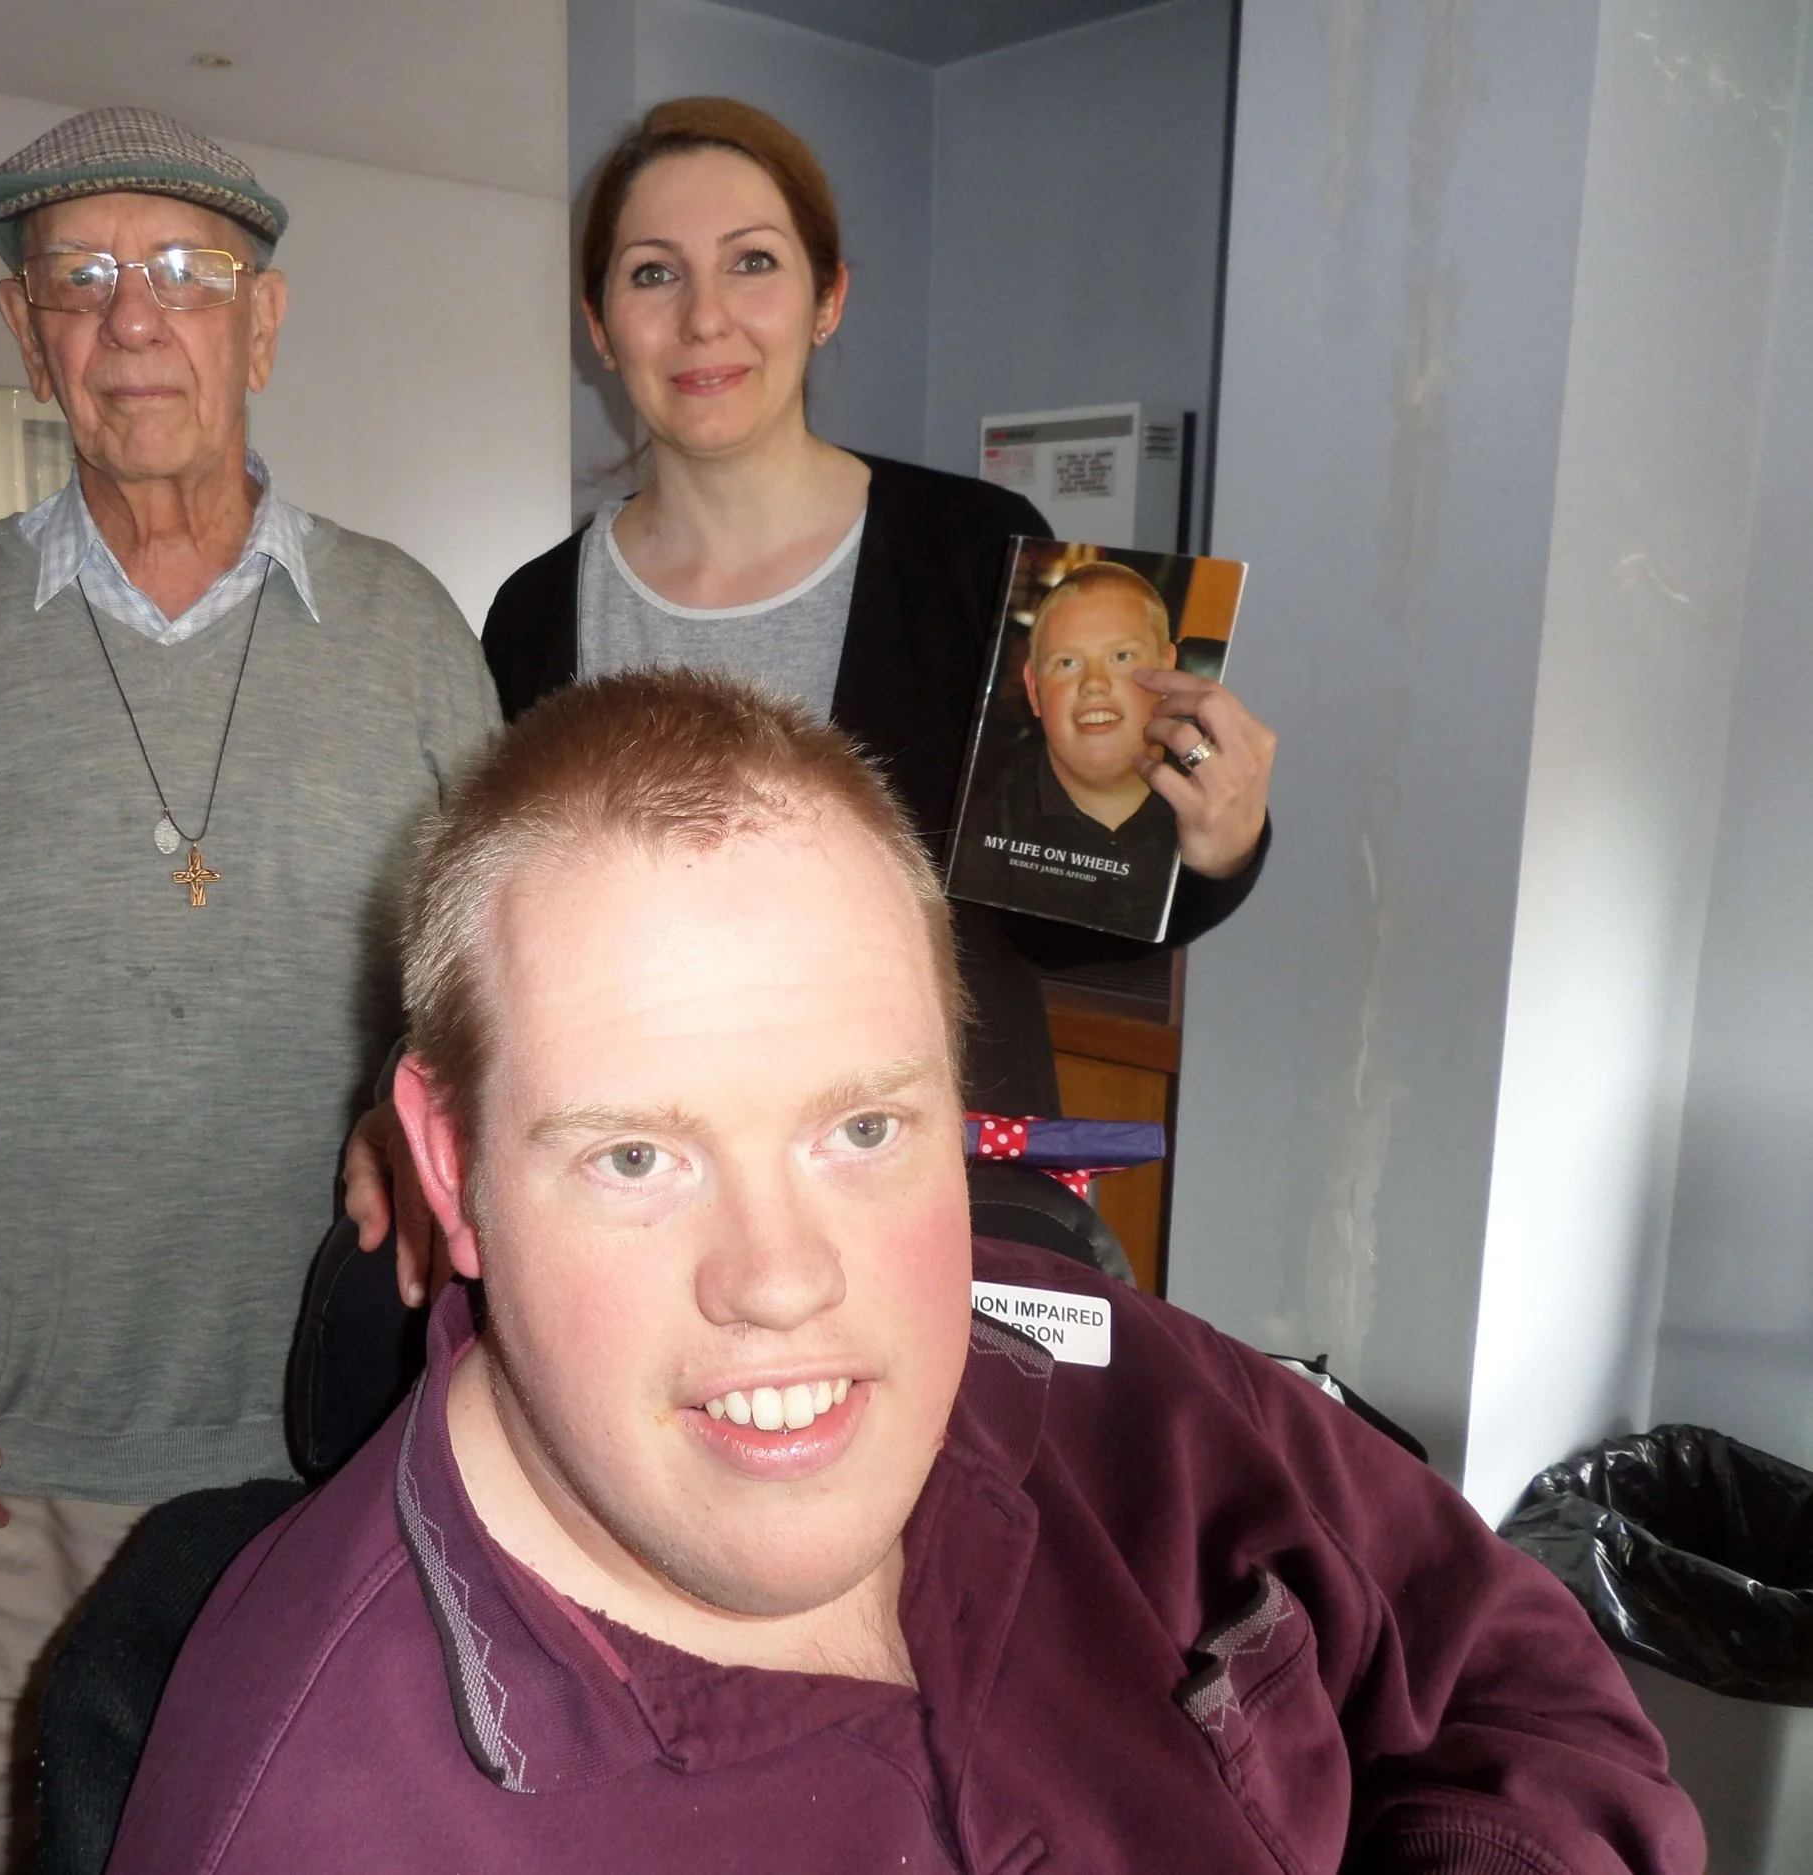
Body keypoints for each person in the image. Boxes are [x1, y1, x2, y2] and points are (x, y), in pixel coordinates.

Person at [109, 670, 1703, 1874]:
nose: (781, 1278)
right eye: (636, 1156)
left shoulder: (1089, 1367)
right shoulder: (313, 1819)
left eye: (861, 1127)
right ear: (450, 1170)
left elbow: (1504, 1663)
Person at [0, 106, 499, 1874]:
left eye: (184, 272)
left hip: (344, 1420)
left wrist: (431, 1096)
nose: (132, 317)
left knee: (313, 1826)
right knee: (8, 1836)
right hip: (10, 1434)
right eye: (77, 279)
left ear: (263, 321)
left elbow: (500, 987)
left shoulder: (411, 638)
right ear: (25, 331)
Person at [481, 97, 1275, 1112]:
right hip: (644, 1161)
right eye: (652, 273)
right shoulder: (535, 616)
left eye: (752, 261)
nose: (704, 317)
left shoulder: (977, 554)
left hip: (928, 1164)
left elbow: (1053, 922)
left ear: (828, 298)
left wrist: (1215, 847)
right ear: (599, 326)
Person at [953, 561, 1187, 935]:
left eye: (1121, 657)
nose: (1094, 683)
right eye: (1067, 662)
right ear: (1034, 690)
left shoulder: (1213, 803)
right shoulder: (972, 832)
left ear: (1166, 671)